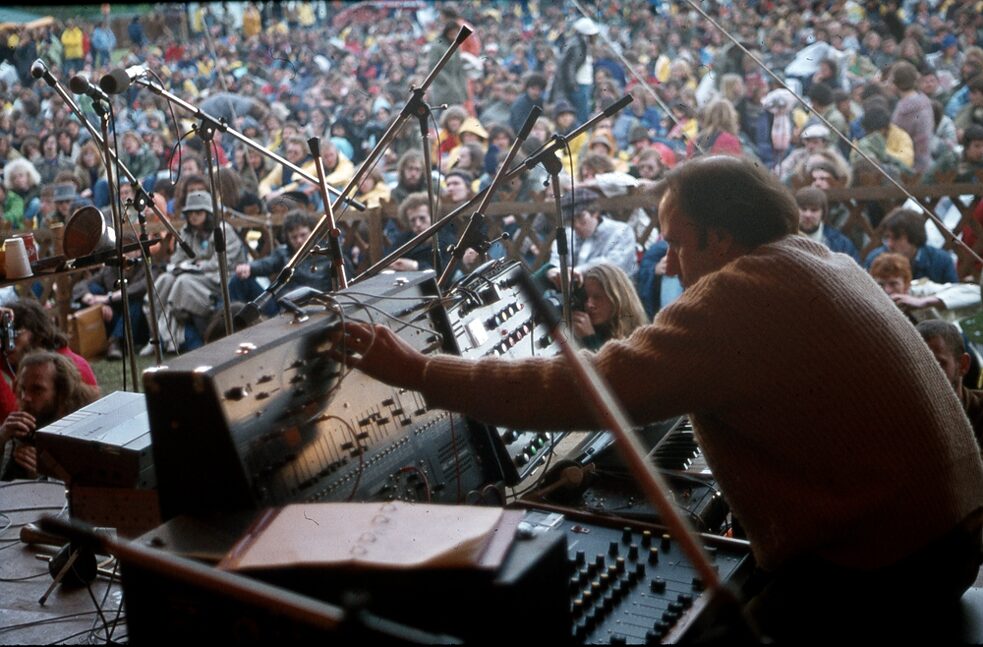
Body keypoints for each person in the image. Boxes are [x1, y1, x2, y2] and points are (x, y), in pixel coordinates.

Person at [336, 156, 983, 641]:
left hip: (887, 567)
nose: (666, 263)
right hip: (941, 537)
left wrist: (419, 369)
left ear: (720, 238)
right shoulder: (815, 261)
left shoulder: (743, 292)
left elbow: (587, 388)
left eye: (675, 241)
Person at [146, 190, 246, 354]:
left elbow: (222, 262)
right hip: (195, 275)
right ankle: (156, 336)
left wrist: (198, 266)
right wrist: (191, 265)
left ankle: (172, 339)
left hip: (222, 278)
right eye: (190, 212)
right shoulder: (186, 231)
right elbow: (176, 259)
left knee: (183, 283)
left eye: (198, 212)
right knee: (165, 280)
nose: (194, 216)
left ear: (208, 212)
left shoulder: (222, 230)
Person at [0, 351, 100, 480]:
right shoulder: (24, 428)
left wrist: (44, 476)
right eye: (23, 389)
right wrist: (2, 438)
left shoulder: (82, 435)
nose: (26, 398)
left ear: (62, 392)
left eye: (37, 389)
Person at [916, 320, 983, 453]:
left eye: (937, 364)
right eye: (917, 365)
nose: (925, 374)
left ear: (963, 365)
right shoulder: (909, 419)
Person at [864, 207, 958, 284]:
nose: (890, 244)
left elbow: (953, 296)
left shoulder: (940, 260)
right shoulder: (875, 259)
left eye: (896, 238)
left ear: (914, 237)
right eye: (887, 237)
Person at [571, 263, 648, 351]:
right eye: (585, 297)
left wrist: (590, 340)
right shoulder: (578, 330)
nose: (589, 305)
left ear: (617, 298)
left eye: (597, 297)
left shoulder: (641, 339)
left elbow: (607, 364)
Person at [794, 187, 859, 262]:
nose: (808, 215)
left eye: (814, 210)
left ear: (823, 213)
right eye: (803, 209)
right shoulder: (784, 239)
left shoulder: (840, 243)